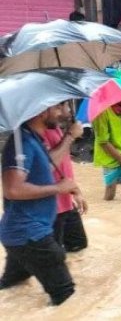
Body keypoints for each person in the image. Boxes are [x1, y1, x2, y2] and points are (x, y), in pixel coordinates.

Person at [0, 105, 80, 305]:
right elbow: (13, 189)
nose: (62, 113)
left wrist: (66, 186)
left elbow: (44, 166)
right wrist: (57, 188)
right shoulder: (21, 143)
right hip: (31, 236)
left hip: (20, 234)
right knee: (66, 299)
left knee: (13, 283)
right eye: (56, 108)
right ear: (41, 112)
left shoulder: (31, 137)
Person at [43, 102, 88, 253]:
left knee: (78, 245)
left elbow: (63, 166)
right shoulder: (38, 133)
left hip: (65, 200)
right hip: (51, 207)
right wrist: (70, 136)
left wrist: (75, 191)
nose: (69, 110)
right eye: (65, 106)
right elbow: (47, 167)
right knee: (54, 258)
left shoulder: (55, 128)